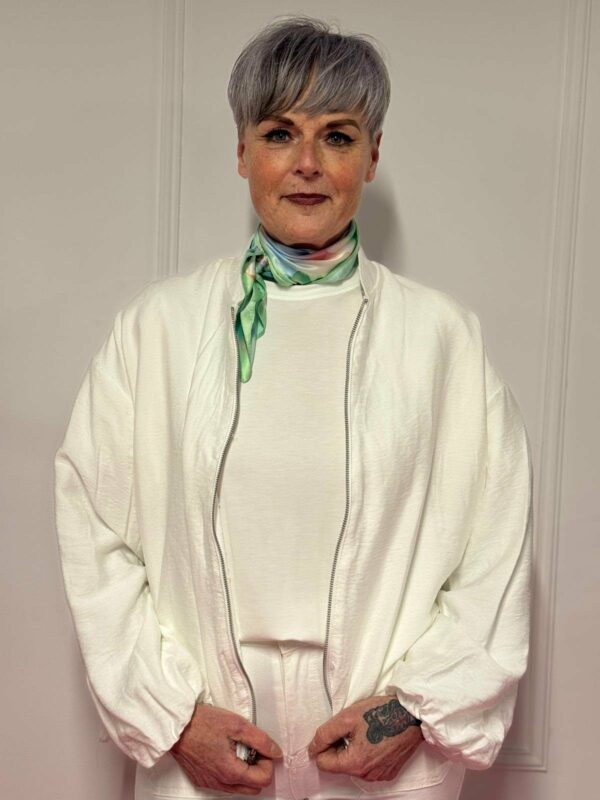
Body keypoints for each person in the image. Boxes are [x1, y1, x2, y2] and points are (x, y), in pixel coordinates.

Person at [54, 16, 533, 800]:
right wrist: (174, 718)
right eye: (280, 133)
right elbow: (95, 532)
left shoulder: (443, 340)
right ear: (242, 151)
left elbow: (495, 549)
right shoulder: (158, 331)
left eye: (337, 136)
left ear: (372, 155)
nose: (307, 164)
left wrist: (409, 713)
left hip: (380, 744)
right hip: (208, 738)